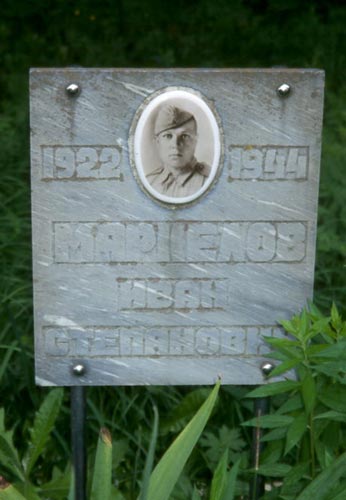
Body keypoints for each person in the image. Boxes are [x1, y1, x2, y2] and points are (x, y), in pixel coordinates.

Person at [146, 104, 210, 198]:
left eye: (184, 136)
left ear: (195, 141)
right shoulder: (150, 181)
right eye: (168, 136)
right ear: (157, 142)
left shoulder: (208, 181)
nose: (175, 145)